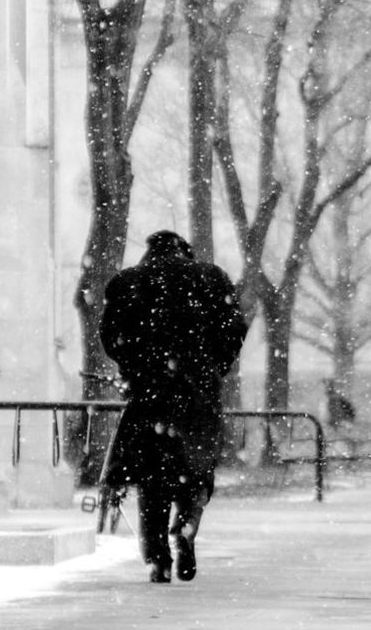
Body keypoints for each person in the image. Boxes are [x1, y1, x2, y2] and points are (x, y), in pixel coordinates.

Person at [100, 230, 247, 584]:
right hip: (198, 394)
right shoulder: (211, 278)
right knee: (196, 468)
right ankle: (188, 523)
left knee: (152, 477)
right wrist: (215, 367)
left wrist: (133, 367)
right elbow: (235, 328)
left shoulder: (128, 282)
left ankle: (157, 559)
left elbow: (110, 335)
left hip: (150, 393)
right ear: (185, 252)